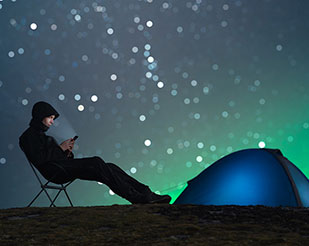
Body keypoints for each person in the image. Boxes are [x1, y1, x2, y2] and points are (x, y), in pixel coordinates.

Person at [19, 101, 171, 204]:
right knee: (97, 162)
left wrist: (67, 151)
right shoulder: (27, 137)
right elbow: (40, 159)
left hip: (61, 167)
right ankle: (137, 197)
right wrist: (60, 149)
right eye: (50, 117)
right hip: (54, 172)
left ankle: (146, 193)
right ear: (41, 115)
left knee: (108, 167)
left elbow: (57, 157)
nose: (52, 121)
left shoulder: (47, 138)